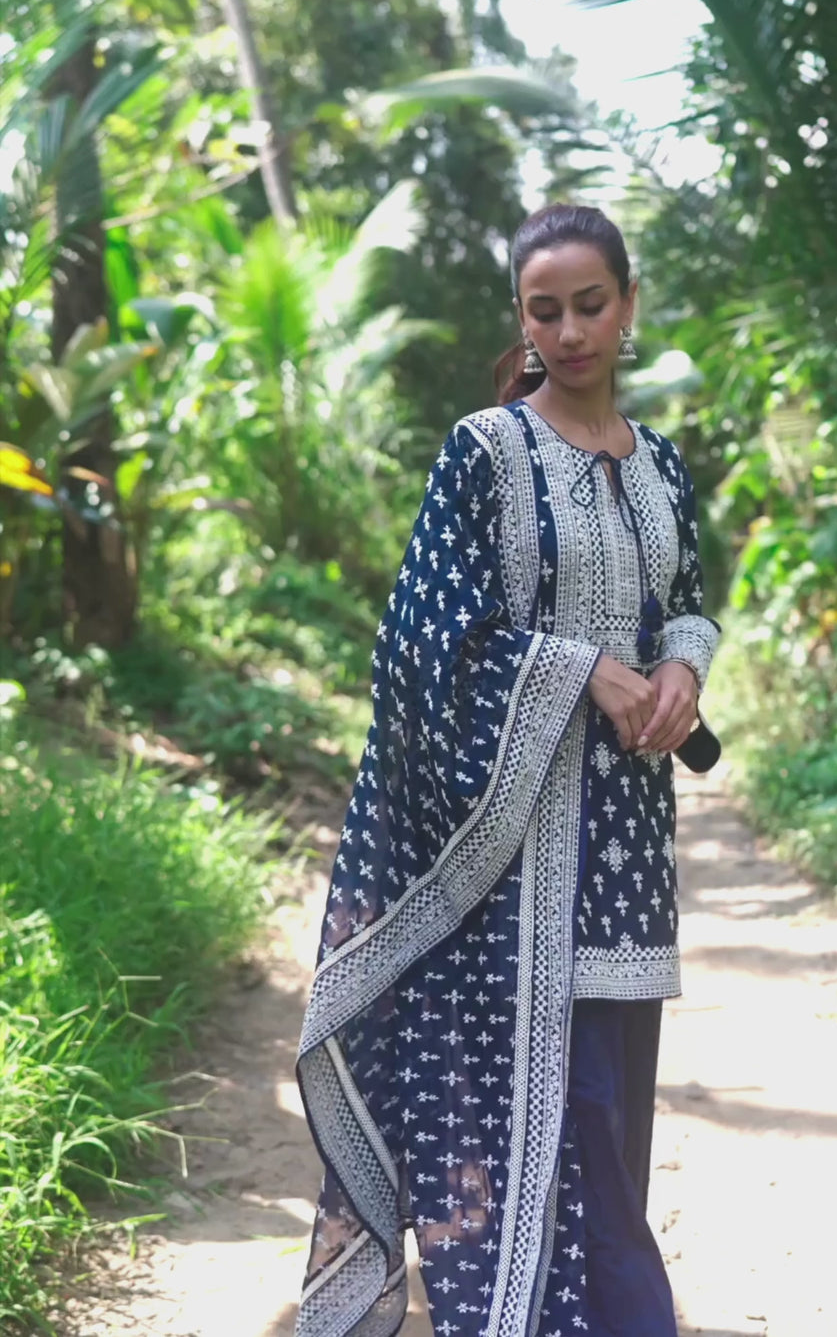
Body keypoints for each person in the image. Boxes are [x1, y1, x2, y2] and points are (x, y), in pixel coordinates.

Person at [294, 202, 721, 1337]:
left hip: (628, 859)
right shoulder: (486, 453)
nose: (570, 331)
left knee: (613, 1135)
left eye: (590, 305)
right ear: (522, 320)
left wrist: (683, 665)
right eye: (546, 311)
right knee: (563, 1135)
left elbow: (684, 600)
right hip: (511, 867)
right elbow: (422, 639)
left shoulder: (661, 464)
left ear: (627, 306)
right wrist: (579, 671)